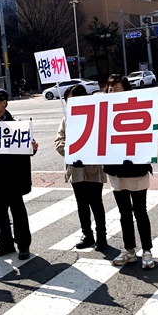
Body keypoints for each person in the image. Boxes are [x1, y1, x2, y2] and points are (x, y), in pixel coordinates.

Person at [102, 74, 155, 269]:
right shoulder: (103, 113)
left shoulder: (138, 109)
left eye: (115, 88)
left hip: (136, 169)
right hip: (115, 171)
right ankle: (129, 250)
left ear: (126, 90)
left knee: (140, 212)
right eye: (109, 88)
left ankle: (147, 251)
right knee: (124, 213)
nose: (111, 91)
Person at [0, 88, 38, 260]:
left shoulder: (17, 125)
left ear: (4, 102)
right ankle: (5, 243)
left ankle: (23, 246)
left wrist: (32, 148)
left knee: (18, 212)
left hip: (12, 178)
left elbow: (26, 149)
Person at [54, 84, 108, 251]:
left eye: (73, 100)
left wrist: (88, 154)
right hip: (75, 170)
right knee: (81, 204)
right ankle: (87, 234)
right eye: (67, 101)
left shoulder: (96, 116)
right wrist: (71, 154)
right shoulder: (66, 119)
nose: (70, 104)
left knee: (96, 203)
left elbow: (102, 140)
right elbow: (59, 141)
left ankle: (101, 237)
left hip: (93, 169)